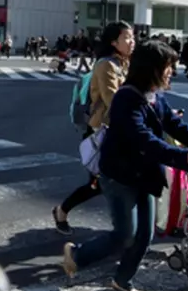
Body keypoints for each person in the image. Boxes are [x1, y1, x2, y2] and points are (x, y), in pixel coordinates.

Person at [60, 41, 188, 291]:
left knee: (145, 235)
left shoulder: (154, 96)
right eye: (168, 66)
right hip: (120, 176)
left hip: (145, 175)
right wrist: (182, 157)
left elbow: (177, 127)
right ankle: (77, 255)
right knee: (125, 234)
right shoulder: (126, 98)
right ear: (152, 68)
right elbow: (143, 139)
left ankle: (122, 280)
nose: (171, 71)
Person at [52, 21, 134, 235]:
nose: (132, 42)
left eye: (132, 37)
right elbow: (113, 100)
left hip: (117, 131)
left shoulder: (124, 63)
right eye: (127, 37)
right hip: (102, 132)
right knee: (99, 184)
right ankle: (62, 211)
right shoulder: (106, 65)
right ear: (114, 42)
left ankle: (127, 231)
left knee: (110, 182)